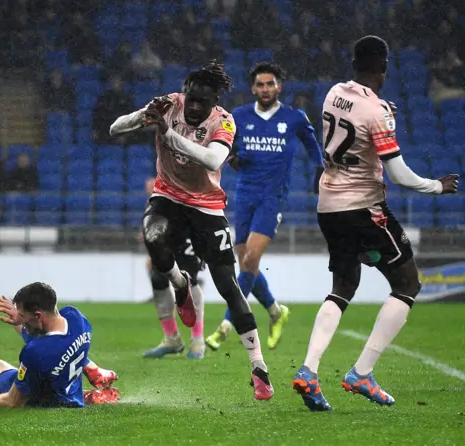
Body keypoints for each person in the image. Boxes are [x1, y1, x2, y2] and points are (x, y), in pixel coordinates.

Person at [292, 35, 459, 411]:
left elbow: (357, 118)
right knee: (408, 282)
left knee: (343, 286)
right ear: (384, 67)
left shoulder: (334, 93)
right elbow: (398, 174)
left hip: (329, 206)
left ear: (354, 63)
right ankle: (362, 373)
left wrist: (383, 111)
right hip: (364, 208)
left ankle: (309, 370)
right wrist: (437, 186)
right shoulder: (377, 112)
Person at [109, 60, 274, 400]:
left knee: (228, 285)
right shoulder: (169, 104)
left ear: (215, 101)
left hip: (206, 206)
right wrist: (144, 116)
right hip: (167, 196)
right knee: (152, 237)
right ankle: (181, 285)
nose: (196, 107)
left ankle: (259, 367)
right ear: (185, 93)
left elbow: (213, 160)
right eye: (192, 99)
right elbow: (115, 129)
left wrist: (167, 134)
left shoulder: (224, 121)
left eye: (205, 101)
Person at [206, 62, 324, 351]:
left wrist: (321, 169)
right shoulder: (240, 116)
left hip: (273, 199)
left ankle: (225, 325)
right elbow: (226, 148)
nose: (265, 89)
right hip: (244, 196)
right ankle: (275, 311)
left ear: (279, 86)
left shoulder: (294, 118)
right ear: (253, 88)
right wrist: (232, 158)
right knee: (249, 265)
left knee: (248, 262)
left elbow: (312, 145)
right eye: (260, 84)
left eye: (270, 84)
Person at [0, 282, 120, 408]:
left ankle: (86, 393)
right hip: (67, 384)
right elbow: (50, 343)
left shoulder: (35, 352)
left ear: (38, 316)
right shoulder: (75, 317)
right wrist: (21, 321)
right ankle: (90, 374)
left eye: (22, 316)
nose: (21, 321)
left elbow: (12, 401)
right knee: (57, 365)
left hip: (48, 398)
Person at [140, 177, 208, 359]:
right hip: (167, 223)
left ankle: (197, 340)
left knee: (189, 277)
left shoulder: (193, 157)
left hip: (190, 221)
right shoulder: (166, 160)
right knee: (157, 276)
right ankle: (172, 338)